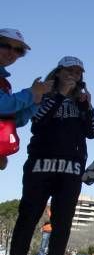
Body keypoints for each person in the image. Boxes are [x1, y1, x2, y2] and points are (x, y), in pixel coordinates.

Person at [1, 56, 94, 255]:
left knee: (63, 219)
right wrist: (60, 94)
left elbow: (92, 132)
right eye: (69, 71)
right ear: (58, 72)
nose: (74, 76)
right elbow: (38, 121)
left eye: (78, 72)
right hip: (40, 165)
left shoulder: (82, 100)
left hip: (71, 168)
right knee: (28, 215)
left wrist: (87, 107)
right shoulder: (44, 93)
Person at [0, 28, 51, 171]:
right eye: (6, 46)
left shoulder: (5, 83)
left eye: (18, 50)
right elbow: (2, 105)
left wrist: (36, 100)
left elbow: (16, 120)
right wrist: (32, 93)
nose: (12, 53)